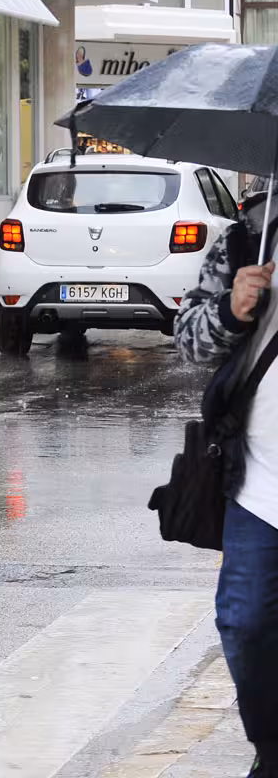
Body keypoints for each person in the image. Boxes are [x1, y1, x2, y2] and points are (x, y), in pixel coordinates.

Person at [175, 222, 278, 778]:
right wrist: (230, 310)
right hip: (260, 484)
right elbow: (187, 339)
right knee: (245, 624)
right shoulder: (250, 238)